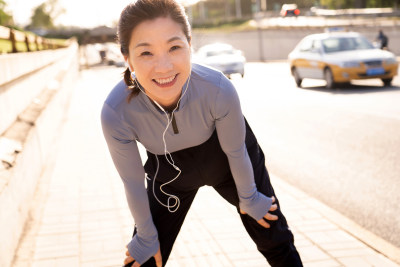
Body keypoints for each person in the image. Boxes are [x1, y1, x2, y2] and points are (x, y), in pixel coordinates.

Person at [101, 0, 303, 266]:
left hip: (229, 160)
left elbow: (236, 150)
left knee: (274, 237)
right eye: (146, 53)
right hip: (169, 175)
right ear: (127, 59)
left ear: (189, 45)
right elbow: (133, 182)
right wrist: (147, 236)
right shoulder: (116, 112)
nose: (163, 67)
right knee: (144, 257)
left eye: (174, 47)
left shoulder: (218, 88)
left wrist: (250, 197)